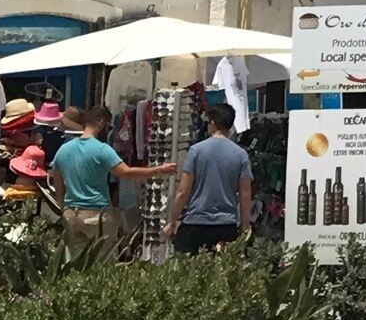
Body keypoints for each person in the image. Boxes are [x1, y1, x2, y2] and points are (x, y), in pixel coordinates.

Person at [51, 106, 173, 255]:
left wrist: (64, 209)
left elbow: (57, 181)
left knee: (75, 265)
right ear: (101, 122)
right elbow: (126, 172)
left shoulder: (63, 150)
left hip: (71, 215)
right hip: (96, 214)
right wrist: (159, 170)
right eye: (109, 126)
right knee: (103, 263)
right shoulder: (102, 149)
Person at [164, 104, 252, 253]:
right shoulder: (241, 155)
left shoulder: (196, 151)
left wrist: (172, 221)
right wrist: (244, 227)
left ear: (212, 123)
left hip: (196, 222)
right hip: (226, 224)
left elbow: (183, 191)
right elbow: (245, 195)